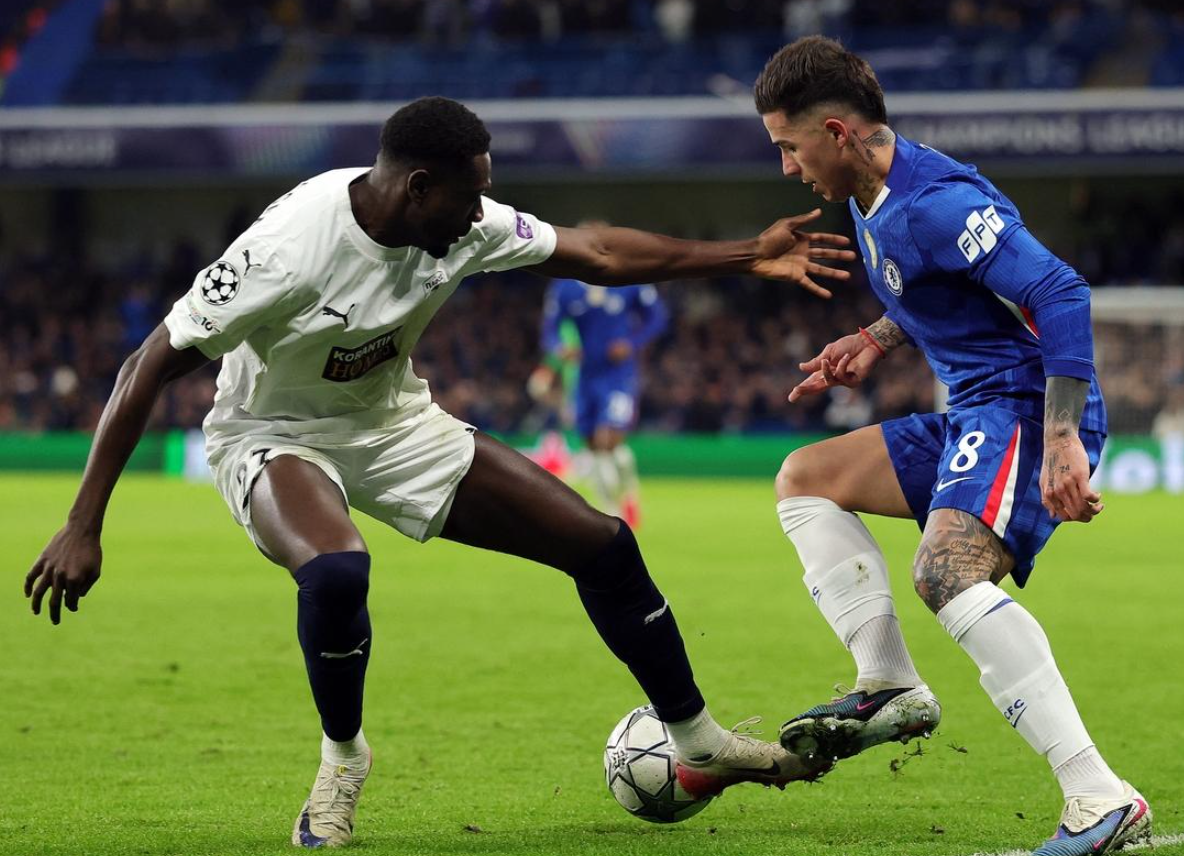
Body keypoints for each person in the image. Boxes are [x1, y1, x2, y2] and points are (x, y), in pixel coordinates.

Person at [23, 97, 854, 847]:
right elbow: (144, 366)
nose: (480, 213)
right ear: (418, 188)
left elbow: (595, 251)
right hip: (272, 434)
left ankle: (699, 742)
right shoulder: (287, 250)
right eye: (468, 197)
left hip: (393, 423)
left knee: (601, 543)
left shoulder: (465, 219)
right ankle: (343, 760)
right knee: (337, 572)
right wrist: (82, 524)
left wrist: (745, 254)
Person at [754, 37, 1151, 856]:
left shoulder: (937, 200)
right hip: (976, 411)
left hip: (1025, 409)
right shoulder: (872, 198)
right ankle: (888, 682)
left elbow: (1058, 290)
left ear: (836, 133)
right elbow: (939, 287)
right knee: (805, 477)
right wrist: (876, 336)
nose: (788, 168)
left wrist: (1063, 437)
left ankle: (1100, 795)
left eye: (789, 148)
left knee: (945, 572)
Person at [540, 239, 669, 525]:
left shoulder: (627, 281)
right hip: (584, 376)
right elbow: (549, 328)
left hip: (618, 375)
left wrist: (632, 343)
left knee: (609, 440)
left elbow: (657, 316)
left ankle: (624, 502)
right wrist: (560, 347)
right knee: (592, 447)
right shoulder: (566, 288)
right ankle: (613, 510)